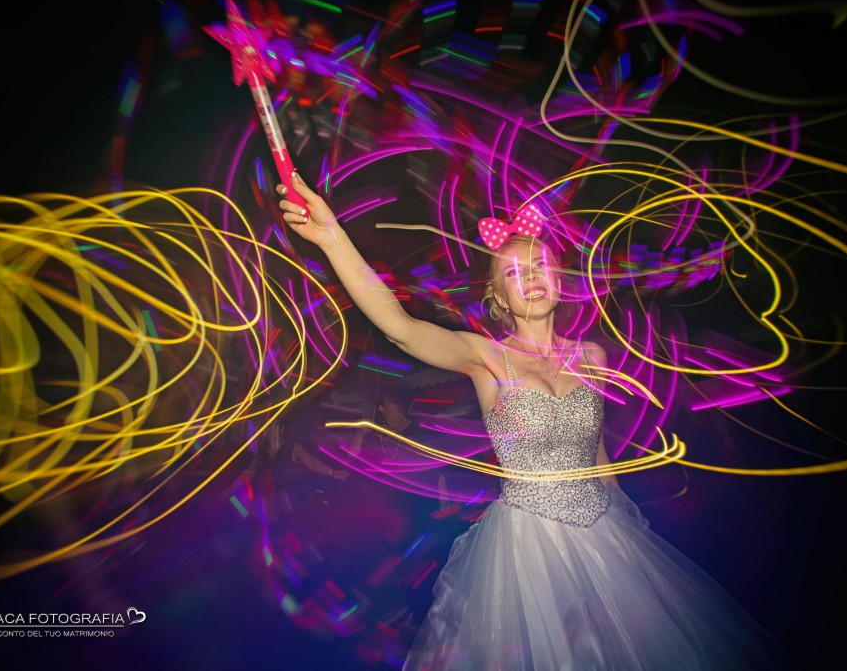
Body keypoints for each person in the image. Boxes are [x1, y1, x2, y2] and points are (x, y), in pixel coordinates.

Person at [277, 173, 777, 669]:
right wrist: (332, 237)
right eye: (514, 274)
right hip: (527, 548)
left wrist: (629, 519)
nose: (532, 278)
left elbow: (596, 451)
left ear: (561, 278)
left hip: (607, 536)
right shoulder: (487, 358)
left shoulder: (593, 356)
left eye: (539, 265)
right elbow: (401, 328)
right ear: (498, 298)